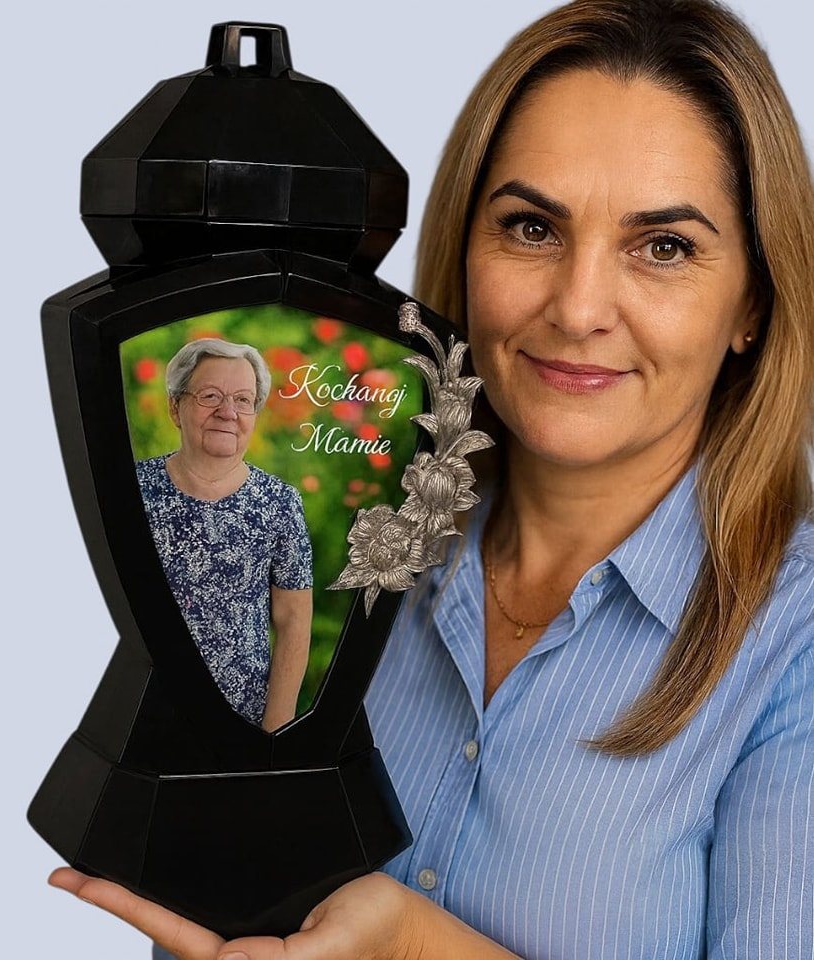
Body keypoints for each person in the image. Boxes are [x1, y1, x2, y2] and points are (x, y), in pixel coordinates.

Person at [49, 1, 814, 956]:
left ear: (754, 300)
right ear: (461, 245)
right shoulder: (370, 541)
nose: (578, 308)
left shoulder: (796, 643)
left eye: (663, 247)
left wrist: (409, 945)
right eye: (531, 227)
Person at [135, 338, 314, 732]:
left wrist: (275, 732)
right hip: (139, 719)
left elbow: (293, 621)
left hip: (242, 729)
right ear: (174, 407)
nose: (228, 412)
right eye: (210, 395)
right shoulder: (132, 490)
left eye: (243, 400)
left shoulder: (280, 503)